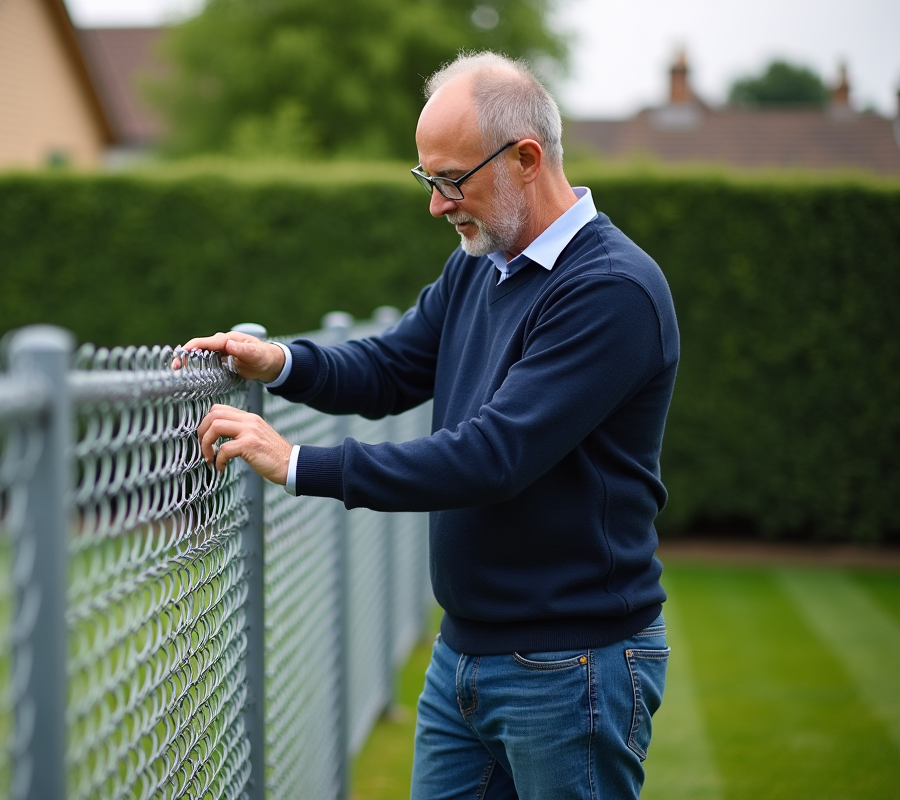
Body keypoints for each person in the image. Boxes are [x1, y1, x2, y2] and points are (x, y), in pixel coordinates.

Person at [178, 51, 679, 800]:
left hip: (573, 663)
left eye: (451, 180)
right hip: (464, 654)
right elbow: (392, 366)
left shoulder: (610, 290)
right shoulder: (482, 262)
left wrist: (299, 464)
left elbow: (492, 457)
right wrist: (280, 361)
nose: (438, 207)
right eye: (429, 180)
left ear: (526, 159)